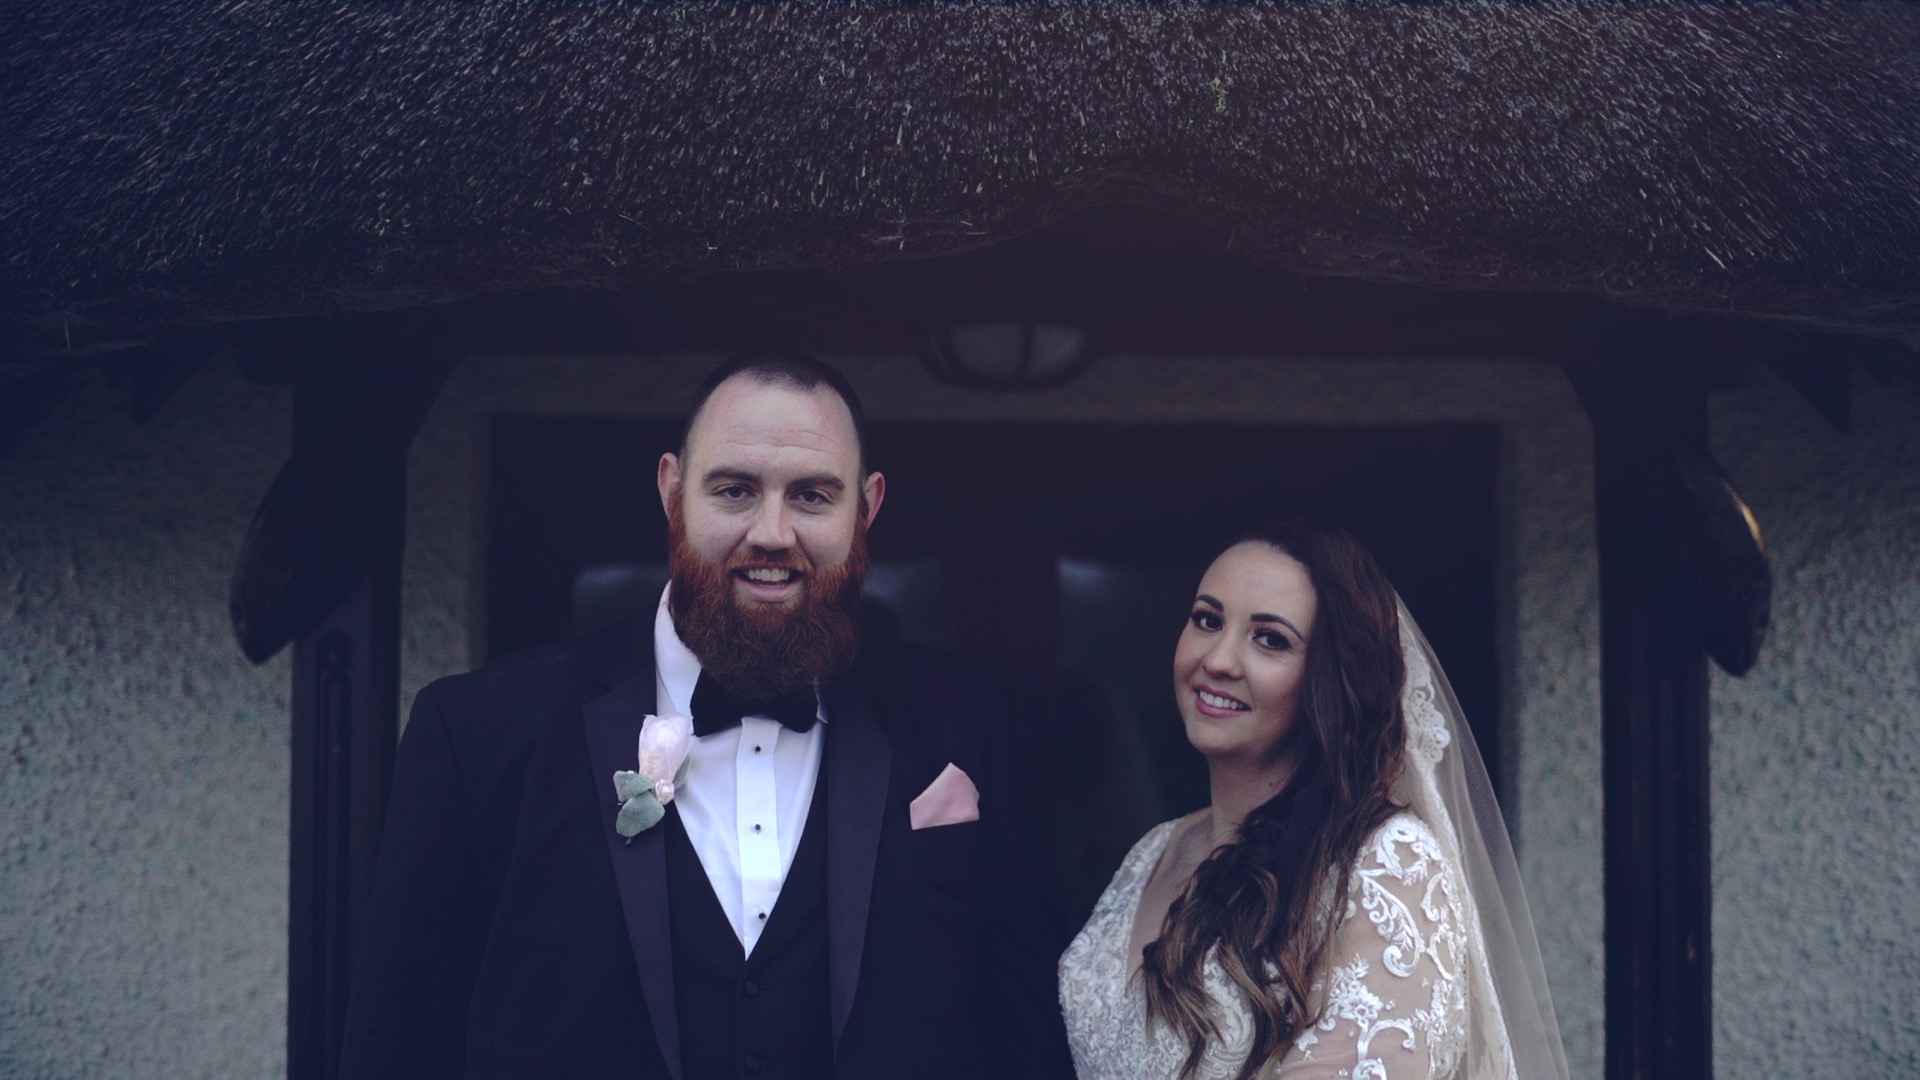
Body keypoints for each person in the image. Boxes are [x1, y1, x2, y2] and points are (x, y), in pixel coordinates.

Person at [339, 351, 1075, 1079]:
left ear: (867, 506)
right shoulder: (478, 732)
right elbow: (398, 1049)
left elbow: (1023, 1039)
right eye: (734, 491)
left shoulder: (965, 723)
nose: (772, 533)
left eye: (813, 496)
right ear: (671, 491)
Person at [1059, 520, 1568, 1079]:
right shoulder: (1153, 851)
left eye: (1270, 639)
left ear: (1329, 677)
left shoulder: (1385, 867)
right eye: (1208, 620)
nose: (1220, 659)